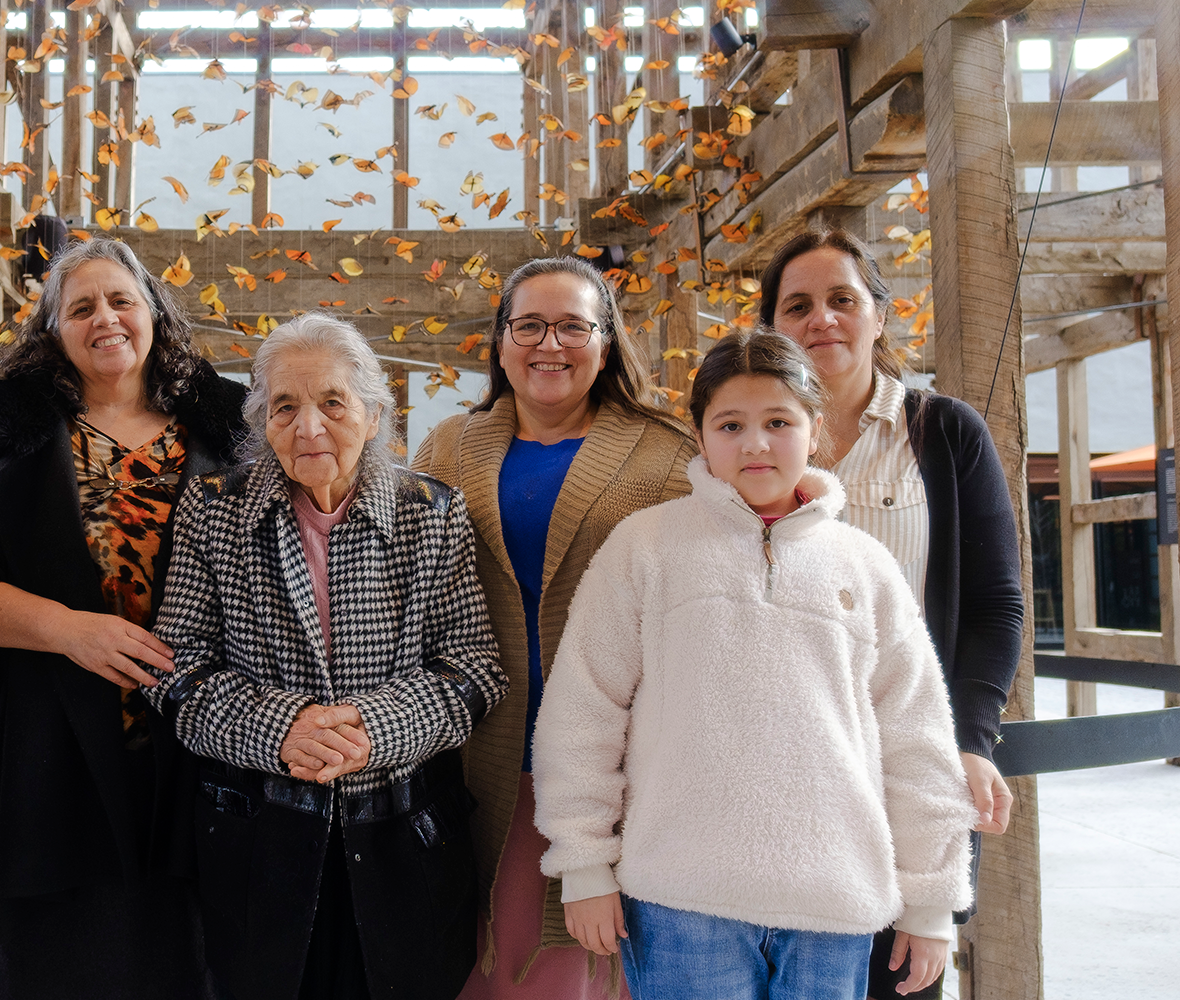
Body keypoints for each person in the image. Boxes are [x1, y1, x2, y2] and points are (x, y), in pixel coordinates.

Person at [533, 330, 975, 1000]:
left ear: (816, 431)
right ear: (701, 435)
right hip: (682, 899)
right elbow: (583, 709)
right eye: (730, 424)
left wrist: (932, 897)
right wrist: (584, 862)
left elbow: (918, 736)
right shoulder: (645, 548)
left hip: (835, 900)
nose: (756, 444)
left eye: (779, 422)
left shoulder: (866, 566)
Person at [0, 237, 248, 999]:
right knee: (54, 959)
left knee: (190, 950)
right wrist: (69, 630)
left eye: (122, 300)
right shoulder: (5, 442)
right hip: (45, 741)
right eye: (81, 307)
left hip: (197, 740)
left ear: (155, 316)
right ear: (53, 331)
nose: (106, 318)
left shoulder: (233, 434)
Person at [146, 312, 508, 1000]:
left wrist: (370, 729)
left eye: (332, 403)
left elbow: (474, 670)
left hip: (404, 832)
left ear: (373, 416)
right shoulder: (213, 510)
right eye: (285, 406)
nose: (308, 427)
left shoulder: (431, 512)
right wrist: (283, 728)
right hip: (258, 836)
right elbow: (176, 670)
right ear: (261, 422)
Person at [412, 256, 693, 998]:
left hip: (618, 765)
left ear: (607, 342)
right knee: (488, 959)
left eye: (574, 325)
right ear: (500, 342)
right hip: (480, 756)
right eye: (528, 324)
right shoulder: (447, 447)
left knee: (596, 968)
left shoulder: (672, 456)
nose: (550, 344)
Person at [759, 229, 1026, 1000]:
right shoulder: (746, 442)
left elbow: (995, 606)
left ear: (879, 313)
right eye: (798, 305)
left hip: (908, 760)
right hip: (780, 761)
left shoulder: (942, 433)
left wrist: (970, 742)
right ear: (772, 326)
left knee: (900, 977)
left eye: (843, 300)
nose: (822, 320)